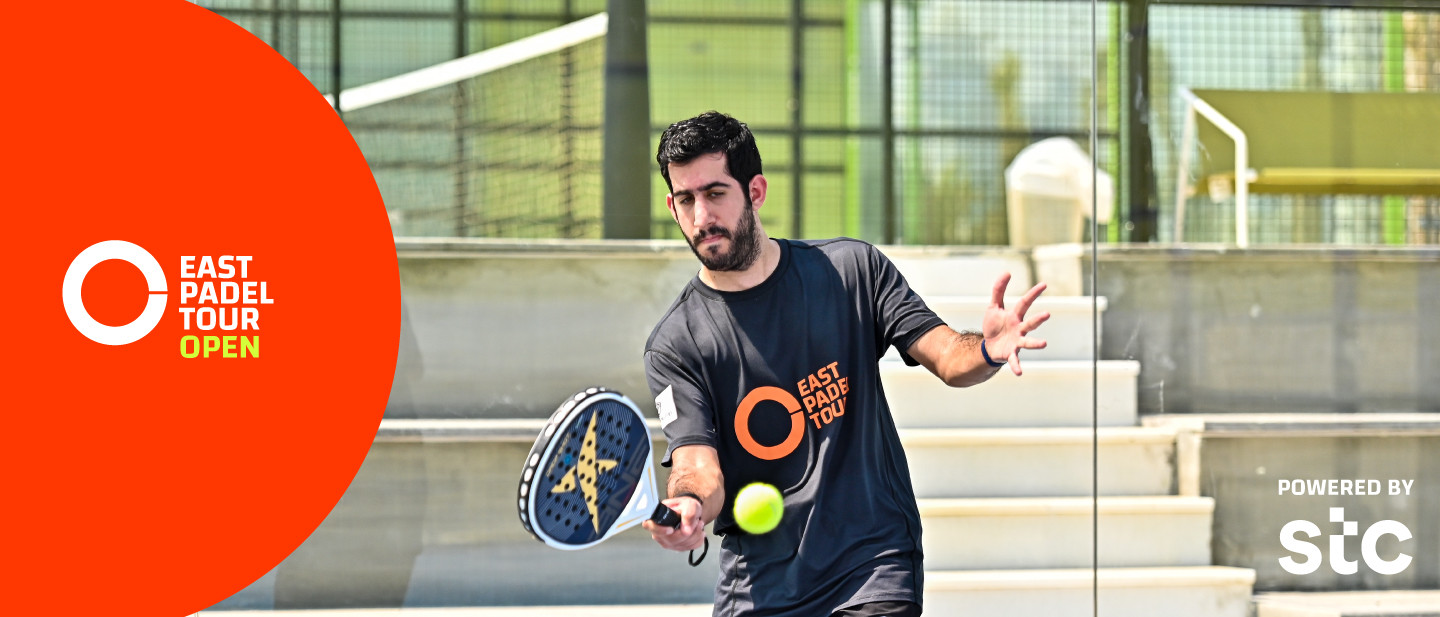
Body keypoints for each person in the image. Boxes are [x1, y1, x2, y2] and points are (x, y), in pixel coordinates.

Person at [641, 111, 1049, 617]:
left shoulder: (851, 270)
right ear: (672, 206)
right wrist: (687, 503)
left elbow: (947, 355)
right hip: (759, 589)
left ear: (756, 191)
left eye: (716, 193)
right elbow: (697, 466)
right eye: (686, 200)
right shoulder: (675, 345)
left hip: (872, 567)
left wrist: (986, 348)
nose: (702, 217)